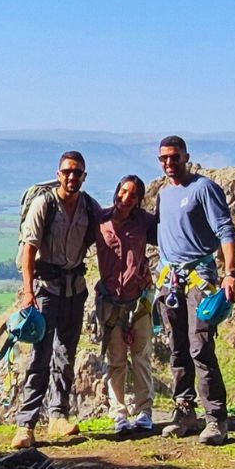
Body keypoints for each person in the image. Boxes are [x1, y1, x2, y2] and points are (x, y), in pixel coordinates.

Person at [155, 135, 235, 445]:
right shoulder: (163, 195)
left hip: (200, 282)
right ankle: (185, 412)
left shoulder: (204, 189)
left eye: (174, 157)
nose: (169, 163)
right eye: (163, 158)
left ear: (186, 157)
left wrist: (231, 273)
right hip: (170, 283)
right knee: (177, 350)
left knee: (200, 347)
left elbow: (226, 230)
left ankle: (216, 419)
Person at [12, 150, 99, 448]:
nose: (72, 177)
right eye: (67, 172)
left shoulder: (89, 207)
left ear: (84, 177)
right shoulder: (44, 204)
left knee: (66, 354)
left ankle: (58, 416)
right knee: (40, 355)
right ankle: (26, 425)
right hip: (45, 290)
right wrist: (28, 292)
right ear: (58, 173)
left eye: (77, 173)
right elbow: (29, 251)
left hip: (75, 289)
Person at [94, 174, 157, 434]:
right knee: (116, 359)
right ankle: (118, 414)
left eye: (132, 194)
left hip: (140, 298)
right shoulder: (100, 221)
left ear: (139, 199)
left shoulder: (145, 222)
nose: (126, 198)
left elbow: (172, 235)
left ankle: (144, 412)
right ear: (117, 191)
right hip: (110, 301)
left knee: (141, 356)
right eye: (123, 191)